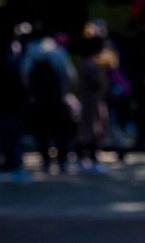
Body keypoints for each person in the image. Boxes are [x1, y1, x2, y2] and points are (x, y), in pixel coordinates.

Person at [27, 36, 78, 174]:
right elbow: (70, 76)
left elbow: (25, 76)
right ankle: (62, 162)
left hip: (38, 102)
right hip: (57, 100)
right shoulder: (59, 54)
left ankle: (46, 162)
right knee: (61, 133)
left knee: (42, 133)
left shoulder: (31, 55)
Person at [0, 37, 29, 182]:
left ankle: (10, 167)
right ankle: (4, 167)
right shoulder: (8, 66)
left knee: (9, 139)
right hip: (5, 108)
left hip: (7, 108)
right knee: (3, 139)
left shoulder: (2, 65)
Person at [76, 29, 109, 173]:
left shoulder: (83, 63)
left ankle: (86, 159)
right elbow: (98, 83)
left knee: (88, 131)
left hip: (87, 100)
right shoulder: (90, 64)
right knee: (91, 131)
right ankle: (90, 159)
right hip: (91, 100)